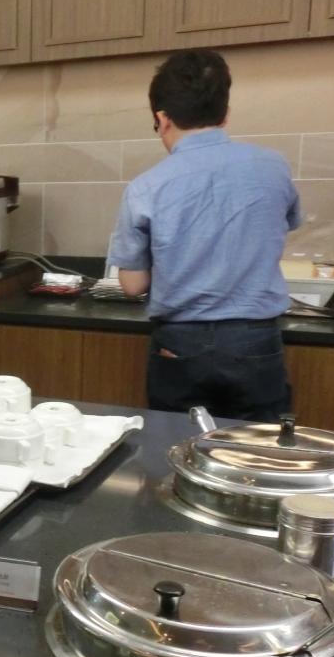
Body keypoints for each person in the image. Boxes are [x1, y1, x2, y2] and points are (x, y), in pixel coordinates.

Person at [106, 49, 302, 421]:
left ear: (161, 119)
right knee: (257, 448)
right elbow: (285, 223)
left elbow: (132, 285)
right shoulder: (273, 166)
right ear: (224, 114)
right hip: (255, 340)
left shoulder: (146, 186)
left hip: (179, 344)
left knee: (178, 443)